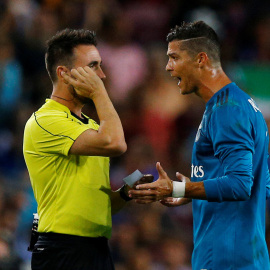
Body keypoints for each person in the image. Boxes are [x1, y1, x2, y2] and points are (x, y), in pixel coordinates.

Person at [129, 21, 270, 270]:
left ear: (200, 59)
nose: (168, 67)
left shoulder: (227, 110)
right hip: (243, 256)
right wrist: (191, 192)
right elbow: (263, 183)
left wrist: (178, 189)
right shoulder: (240, 104)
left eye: (174, 58)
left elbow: (240, 184)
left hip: (226, 259)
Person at [23, 29, 150, 270]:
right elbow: (117, 144)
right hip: (62, 250)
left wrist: (125, 192)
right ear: (64, 73)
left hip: (95, 248)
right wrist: (100, 92)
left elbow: (99, 206)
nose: (101, 75)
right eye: (93, 67)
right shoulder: (46, 120)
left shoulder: (91, 127)